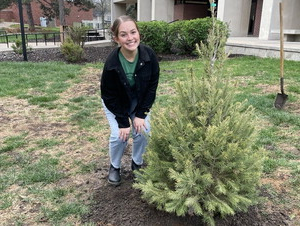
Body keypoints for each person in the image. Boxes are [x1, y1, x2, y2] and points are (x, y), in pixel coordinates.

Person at [100, 15, 160, 186]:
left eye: (133, 32)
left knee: (143, 130)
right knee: (119, 136)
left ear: (138, 33)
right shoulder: (112, 63)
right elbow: (109, 95)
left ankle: (137, 163)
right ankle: (115, 166)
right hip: (116, 104)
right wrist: (122, 122)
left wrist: (141, 114)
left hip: (139, 101)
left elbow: (151, 88)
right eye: (124, 34)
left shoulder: (149, 55)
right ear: (116, 38)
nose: (130, 38)